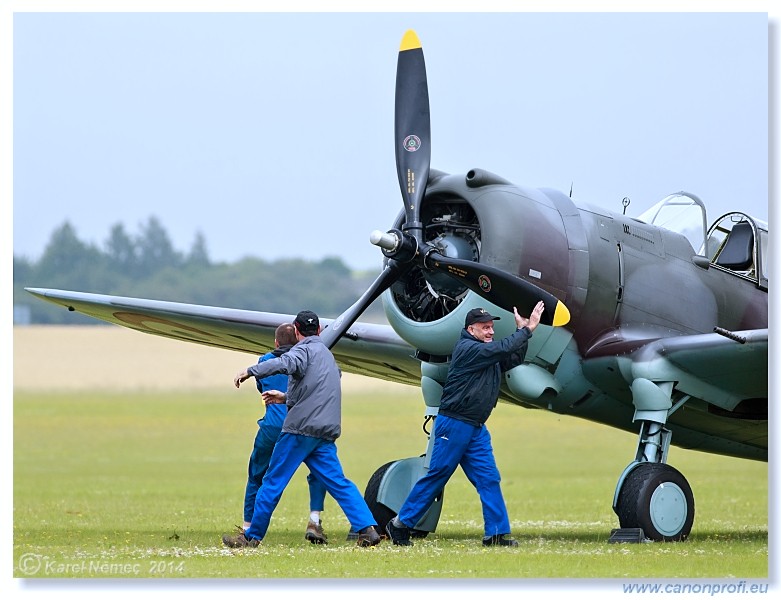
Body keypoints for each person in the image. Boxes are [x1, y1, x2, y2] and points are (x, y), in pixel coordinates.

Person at [385, 301, 546, 547]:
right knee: (438, 476)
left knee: (489, 478)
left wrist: (523, 335)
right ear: (471, 330)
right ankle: (399, 525)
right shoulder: (468, 349)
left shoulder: (486, 351)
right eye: (485, 328)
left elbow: (511, 357)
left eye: (492, 327)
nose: (491, 332)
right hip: (454, 424)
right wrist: (527, 329)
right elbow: (504, 348)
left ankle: (495, 534)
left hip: (476, 427)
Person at [222, 310, 381, 548]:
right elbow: (314, 389)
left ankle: (251, 537)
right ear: (318, 330)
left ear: (297, 332)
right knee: (339, 482)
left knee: (272, 481)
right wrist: (285, 397)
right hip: (324, 431)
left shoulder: (301, 350)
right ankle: (367, 529)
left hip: (299, 430)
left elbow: (285, 362)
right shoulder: (327, 355)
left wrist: (250, 371)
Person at [240, 322, 329, 544]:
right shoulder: (309, 358)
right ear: (299, 338)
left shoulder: (264, 361)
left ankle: (248, 527)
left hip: (272, 426)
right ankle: (314, 520)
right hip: (304, 424)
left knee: (258, 476)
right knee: (319, 472)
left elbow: (262, 389)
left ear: (276, 342)